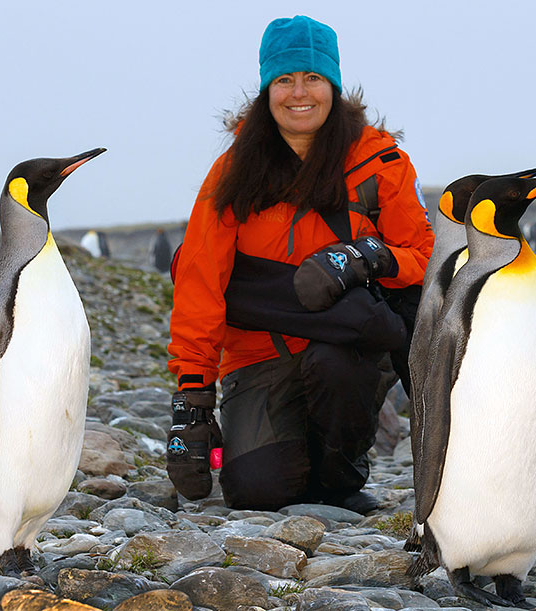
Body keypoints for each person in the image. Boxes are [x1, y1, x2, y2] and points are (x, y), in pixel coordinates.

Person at [165, 15, 434, 515]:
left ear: (332, 83)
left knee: (337, 366)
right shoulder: (234, 171)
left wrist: (365, 256)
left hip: (343, 346)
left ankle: (341, 477)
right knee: (257, 493)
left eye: (312, 78)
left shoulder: (380, 163)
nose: (299, 93)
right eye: (284, 80)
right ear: (267, 89)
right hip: (259, 353)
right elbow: (200, 278)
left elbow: (421, 259)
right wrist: (192, 397)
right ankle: (292, 461)